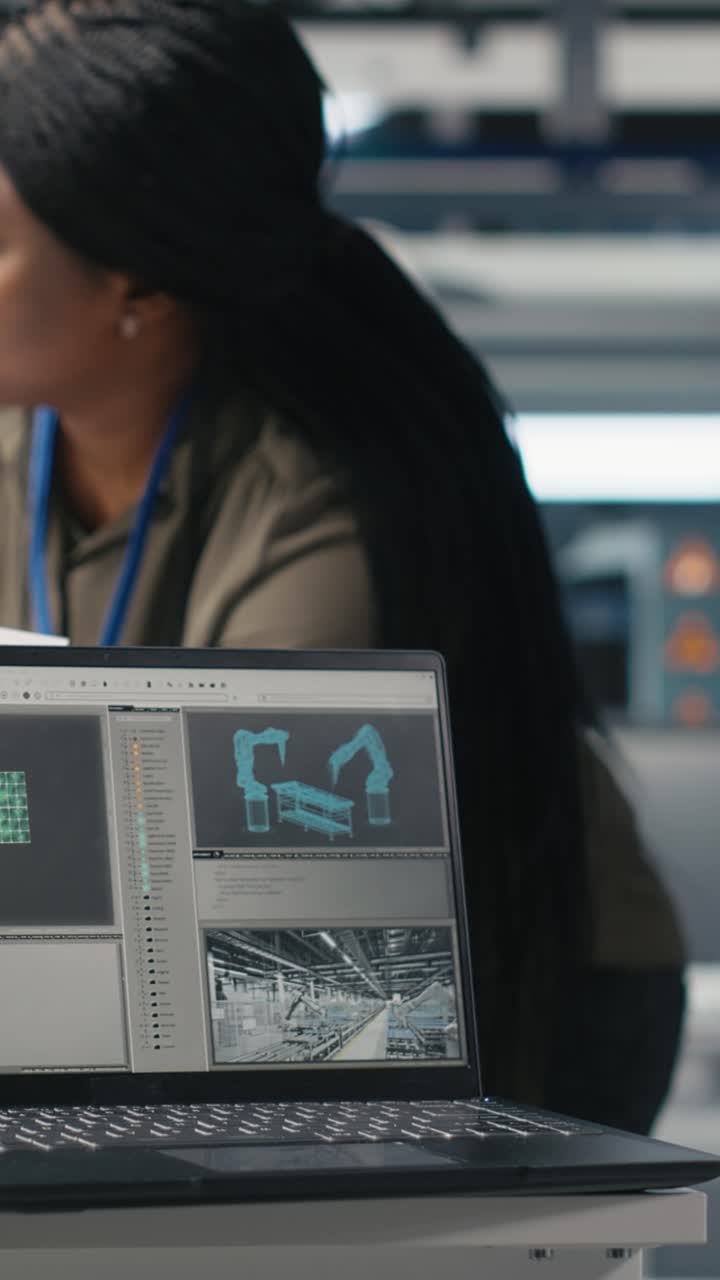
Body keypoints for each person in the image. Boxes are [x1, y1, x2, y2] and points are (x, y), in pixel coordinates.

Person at [0, 0, 684, 1129]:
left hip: (511, 982)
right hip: (217, 978)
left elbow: (256, 907)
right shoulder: (29, 431)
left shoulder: (316, 500)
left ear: (139, 286)